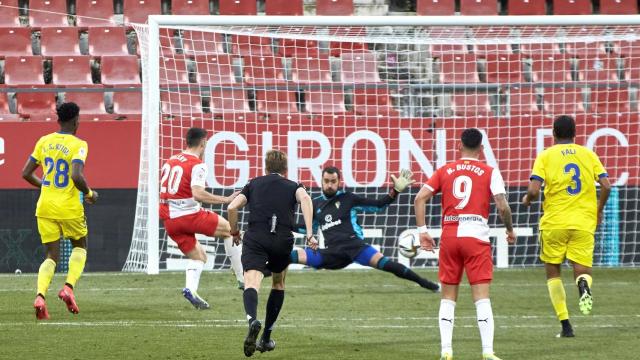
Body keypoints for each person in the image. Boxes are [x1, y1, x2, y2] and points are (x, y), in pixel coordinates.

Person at [414, 128, 515, 360]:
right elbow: (502, 206)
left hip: (449, 238)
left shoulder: (445, 170)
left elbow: (419, 198)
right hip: (476, 239)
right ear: (481, 149)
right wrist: (509, 230)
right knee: (481, 297)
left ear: (458, 146)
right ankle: (488, 352)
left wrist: (423, 232)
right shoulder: (490, 171)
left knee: (448, 297)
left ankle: (446, 350)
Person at [522, 115, 611, 338]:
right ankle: (583, 285)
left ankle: (566, 325)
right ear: (574, 133)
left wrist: (527, 200)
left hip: (554, 223)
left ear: (553, 133)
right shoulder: (588, 154)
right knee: (582, 270)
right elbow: (606, 185)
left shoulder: (545, 156)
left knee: (553, 273)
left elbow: (534, 190)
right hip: (583, 222)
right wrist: (598, 210)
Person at [291, 166, 439, 292]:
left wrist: (396, 191)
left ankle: (426, 283)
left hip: (356, 247)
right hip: (333, 252)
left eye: (333, 181)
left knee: (388, 265)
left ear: (339, 182)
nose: (330, 185)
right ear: (322, 181)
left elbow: (379, 205)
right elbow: (308, 229)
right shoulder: (315, 204)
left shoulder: (348, 198)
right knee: (291, 255)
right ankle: (267, 271)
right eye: (327, 181)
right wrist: (287, 225)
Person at [227, 149, 316, 357]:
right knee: (278, 283)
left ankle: (252, 320)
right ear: (285, 169)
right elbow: (305, 199)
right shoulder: (294, 185)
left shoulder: (253, 184)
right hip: (282, 240)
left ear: (265, 167)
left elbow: (232, 207)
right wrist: (310, 234)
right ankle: (266, 338)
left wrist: (234, 231)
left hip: (257, 237)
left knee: (251, 282)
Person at [21, 102, 98, 320]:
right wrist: (90, 193)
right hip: (69, 208)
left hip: (44, 206)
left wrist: (46, 185)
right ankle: (68, 288)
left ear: (58, 120)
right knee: (80, 246)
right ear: (76, 120)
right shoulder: (79, 144)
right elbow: (76, 176)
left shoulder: (44, 141)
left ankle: (40, 296)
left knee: (50, 256)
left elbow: (25, 173)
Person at [160, 127, 239, 310]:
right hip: (188, 215)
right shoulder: (197, 164)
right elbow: (197, 193)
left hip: (170, 221)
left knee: (200, 256)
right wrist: (225, 200)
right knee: (230, 229)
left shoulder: (170, 160)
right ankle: (242, 277)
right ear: (203, 143)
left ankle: (190, 289)